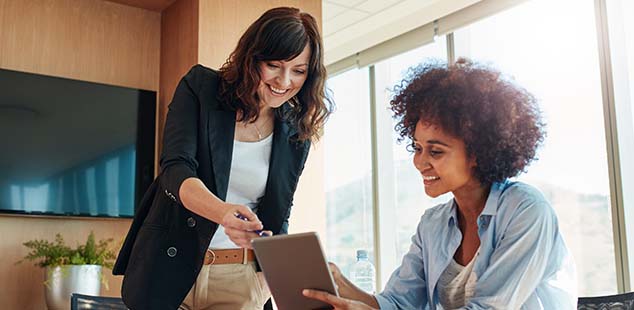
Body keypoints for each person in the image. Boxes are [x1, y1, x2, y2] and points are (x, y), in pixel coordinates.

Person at [303, 59, 577, 309]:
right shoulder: (433, 224)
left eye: (435, 151)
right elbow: (399, 303)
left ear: (478, 153)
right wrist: (342, 286)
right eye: (417, 148)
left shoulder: (526, 211)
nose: (420, 162)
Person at [112, 7, 332, 310]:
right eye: (274, 65)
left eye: (299, 70)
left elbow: (278, 213)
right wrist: (222, 212)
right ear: (252, 58)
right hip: (169, 269)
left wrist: (265, 285)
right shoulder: (201, 88)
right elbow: (175, 169)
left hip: (239, 281)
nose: (285, 80)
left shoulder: (296, 131)